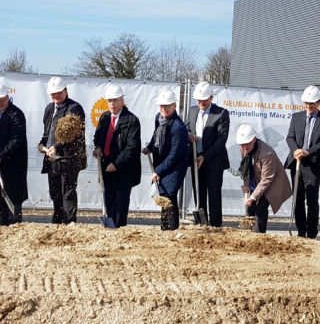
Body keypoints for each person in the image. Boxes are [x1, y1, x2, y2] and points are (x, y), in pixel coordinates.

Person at [284, 85, 320, 238]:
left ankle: (311, 233)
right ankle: (300, 231)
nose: (308, 106)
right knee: (297, 199)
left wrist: (308, 151)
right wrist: (296, 151)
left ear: (318, 102)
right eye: (306, 103)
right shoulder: (296, 117)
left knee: (311, 200)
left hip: (314, 165)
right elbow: (290, 137)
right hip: (297, 163)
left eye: (312, 103)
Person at [38, 76, 87, 224]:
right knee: (55, 194)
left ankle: (69, 223)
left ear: (65, 91)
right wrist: (42, 144)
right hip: (52, 159)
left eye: (58, 92)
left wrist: (56, 146)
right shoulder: (49, 109)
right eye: (52, 93)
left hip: (69, 159)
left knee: (68, 193)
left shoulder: (74, 109)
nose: (55, 96)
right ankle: (57, 222)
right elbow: (47, 132)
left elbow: (70, 134)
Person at [93, 84, 141, 228]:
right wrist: (97, 148)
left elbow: (132, 148)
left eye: (115, 100)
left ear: (122, 100)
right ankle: (110, 228)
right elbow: (97, 138)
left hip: (124, 171)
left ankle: (119, 230)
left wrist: (116, 164)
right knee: (108, 201)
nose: (112, 104)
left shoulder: (132, 120)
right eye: (110, 101)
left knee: (120, 205)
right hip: (106, 168)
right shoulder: (105, 117)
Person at [0, 81, 28, 226]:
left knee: (13, 190)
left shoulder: (17, 114)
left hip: (13, 159)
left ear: (8, 97)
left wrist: (2, 155)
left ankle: (15, 220)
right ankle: (3, 220)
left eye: (1, 101)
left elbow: (17, 139)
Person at [186, 81, 230, 227]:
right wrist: (189, 136)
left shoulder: (221, 113)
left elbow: (221, 139)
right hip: (195, 160)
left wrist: (205, 156)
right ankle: (201, 226)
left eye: (204, 100)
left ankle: (216, 227)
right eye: (198, 100)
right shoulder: (192, 111)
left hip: (213, 162)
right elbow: (186, 129)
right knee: (199, 195)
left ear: (211, 98)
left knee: (214, 197)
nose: (201, 103)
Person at [145, 89, 188, 230]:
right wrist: (150, 147)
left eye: (167, 106)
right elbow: (155, 135)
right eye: (162, 106)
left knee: (169, 194)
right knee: (162, 193)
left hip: (176, 165)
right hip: (163, 162)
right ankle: (164, 228)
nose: (164, 109)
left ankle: (172, 229)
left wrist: (158, 170)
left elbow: (175, 154)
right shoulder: (159, 118)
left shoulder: (178, 127)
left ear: (174, 106)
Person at [236, 124, 292, 233]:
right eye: (242, 145)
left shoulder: (267, 154)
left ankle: (260, 236)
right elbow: (246, 168)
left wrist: (253, 197)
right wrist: (247, 185)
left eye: (247, 144)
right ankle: (250, 233)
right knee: (249, 207)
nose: (244, 148)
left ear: (254, 140)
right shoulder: (243, 148)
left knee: (260, 208)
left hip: (273, 182)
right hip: (256, 179)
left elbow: (266, 180)